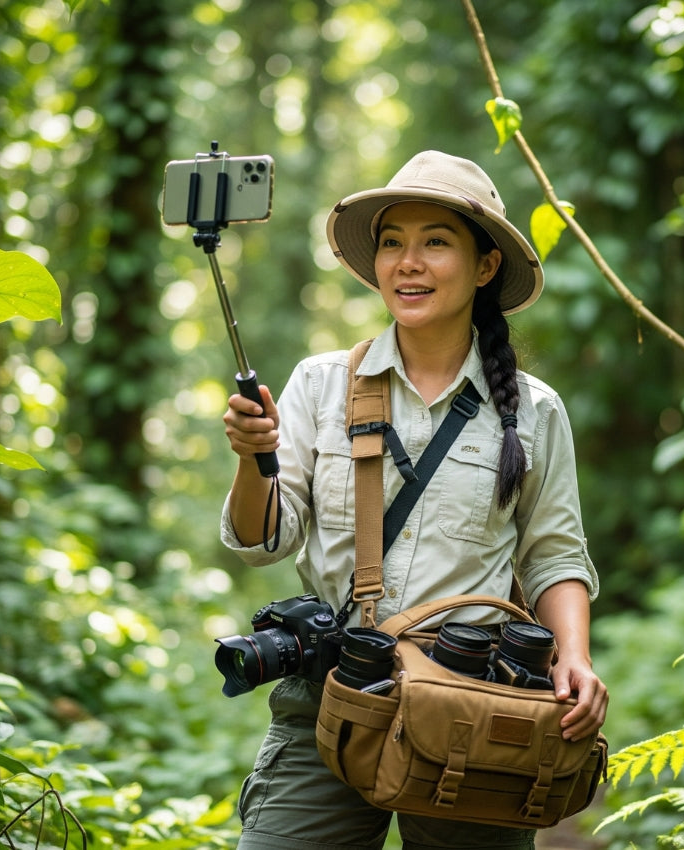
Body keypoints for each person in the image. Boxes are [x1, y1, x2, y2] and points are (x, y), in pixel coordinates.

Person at [220, 150, 607, 850]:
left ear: (485, 266)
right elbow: (265, 542)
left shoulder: (536, 411)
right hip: (333, 691)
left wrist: (572, 656)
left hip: (472, 701)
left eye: (436, 242)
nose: (408, 262)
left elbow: (554, 554)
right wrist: (254, 459)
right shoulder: (319, 385)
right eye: (392, 243)